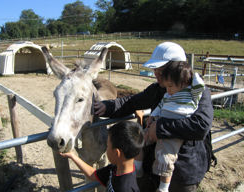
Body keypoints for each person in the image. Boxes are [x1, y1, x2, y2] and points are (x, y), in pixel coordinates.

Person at [94, 42, 214, 192]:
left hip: (182, 171)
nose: (155, 73)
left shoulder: (197, 92)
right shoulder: (159, 89)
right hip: (153, 165)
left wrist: (159, 128)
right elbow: (133, 101)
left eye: (160, 69)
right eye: (155, 68)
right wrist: (108, 106)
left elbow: (201, 126)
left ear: (176, 69)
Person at [146, 61, 205, 192]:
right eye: (167, 86)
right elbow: (160, 106)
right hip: (162, 126)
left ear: (184, 82)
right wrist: (153, 116)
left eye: (170, 86)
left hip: (173, 133)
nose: (168, 90)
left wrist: (193, 75)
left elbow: (200, 86)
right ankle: (137, 166)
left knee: (166, 157)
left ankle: (163, 188)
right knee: (140, 139)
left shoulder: (192, 94)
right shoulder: (168, 94)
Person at [60, 120, 145, 192]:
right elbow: (93, 174)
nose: (106, 148)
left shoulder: (126, 188)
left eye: (107, 146)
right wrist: (73, 156)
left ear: (116, 153)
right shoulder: (115, 168)